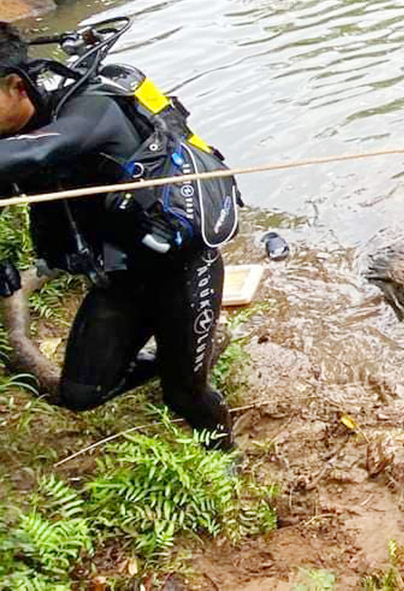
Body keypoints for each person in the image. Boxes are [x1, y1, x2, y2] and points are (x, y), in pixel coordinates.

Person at [0, 23, 233, 450]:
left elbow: (38, 151)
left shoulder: (92, 108)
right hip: (120, 277)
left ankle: (224, 458)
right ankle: (182, 355)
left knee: (184, 396)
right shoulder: (9, 132)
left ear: (16, 86)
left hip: (181, 268)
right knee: (80, 394)